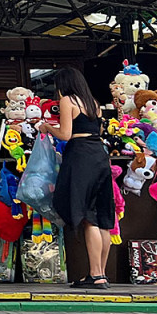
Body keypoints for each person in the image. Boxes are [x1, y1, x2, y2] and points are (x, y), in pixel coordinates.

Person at [38, 66, 114, 289]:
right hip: (99, 155)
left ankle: (94, 274)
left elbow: (66, 134)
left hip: (80, 155)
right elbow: (97, 131)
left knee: (88, 215)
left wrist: (47, 127)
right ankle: (102, 273)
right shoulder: (94, 103)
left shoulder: (68, 101)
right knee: (102, 217)